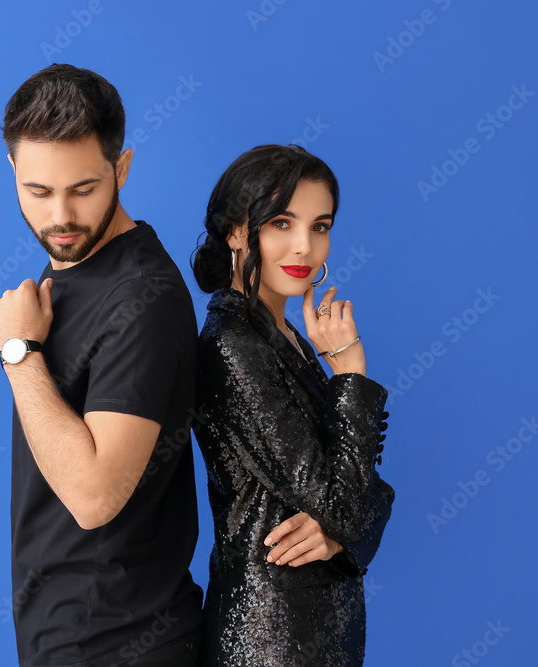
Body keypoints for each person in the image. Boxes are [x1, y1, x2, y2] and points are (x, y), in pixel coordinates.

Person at [0, 63, 203, 667]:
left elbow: (94, 495)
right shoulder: (70, 270)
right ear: (13, 173)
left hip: (124, 645)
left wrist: (17, 353)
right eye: (38, 191)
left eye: (83, 190)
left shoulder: (141, 301)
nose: (61, 217)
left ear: (122, 169)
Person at [189, 144, 395, 667]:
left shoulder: (284, 336)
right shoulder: (232, 343)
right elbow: (341, 499)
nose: (304, 246)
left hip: (317, 626)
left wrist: (339, 535)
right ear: (236, 231)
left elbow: (361, 495)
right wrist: (349, 372)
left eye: (320, 226)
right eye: (282, 223)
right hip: (270, 636)